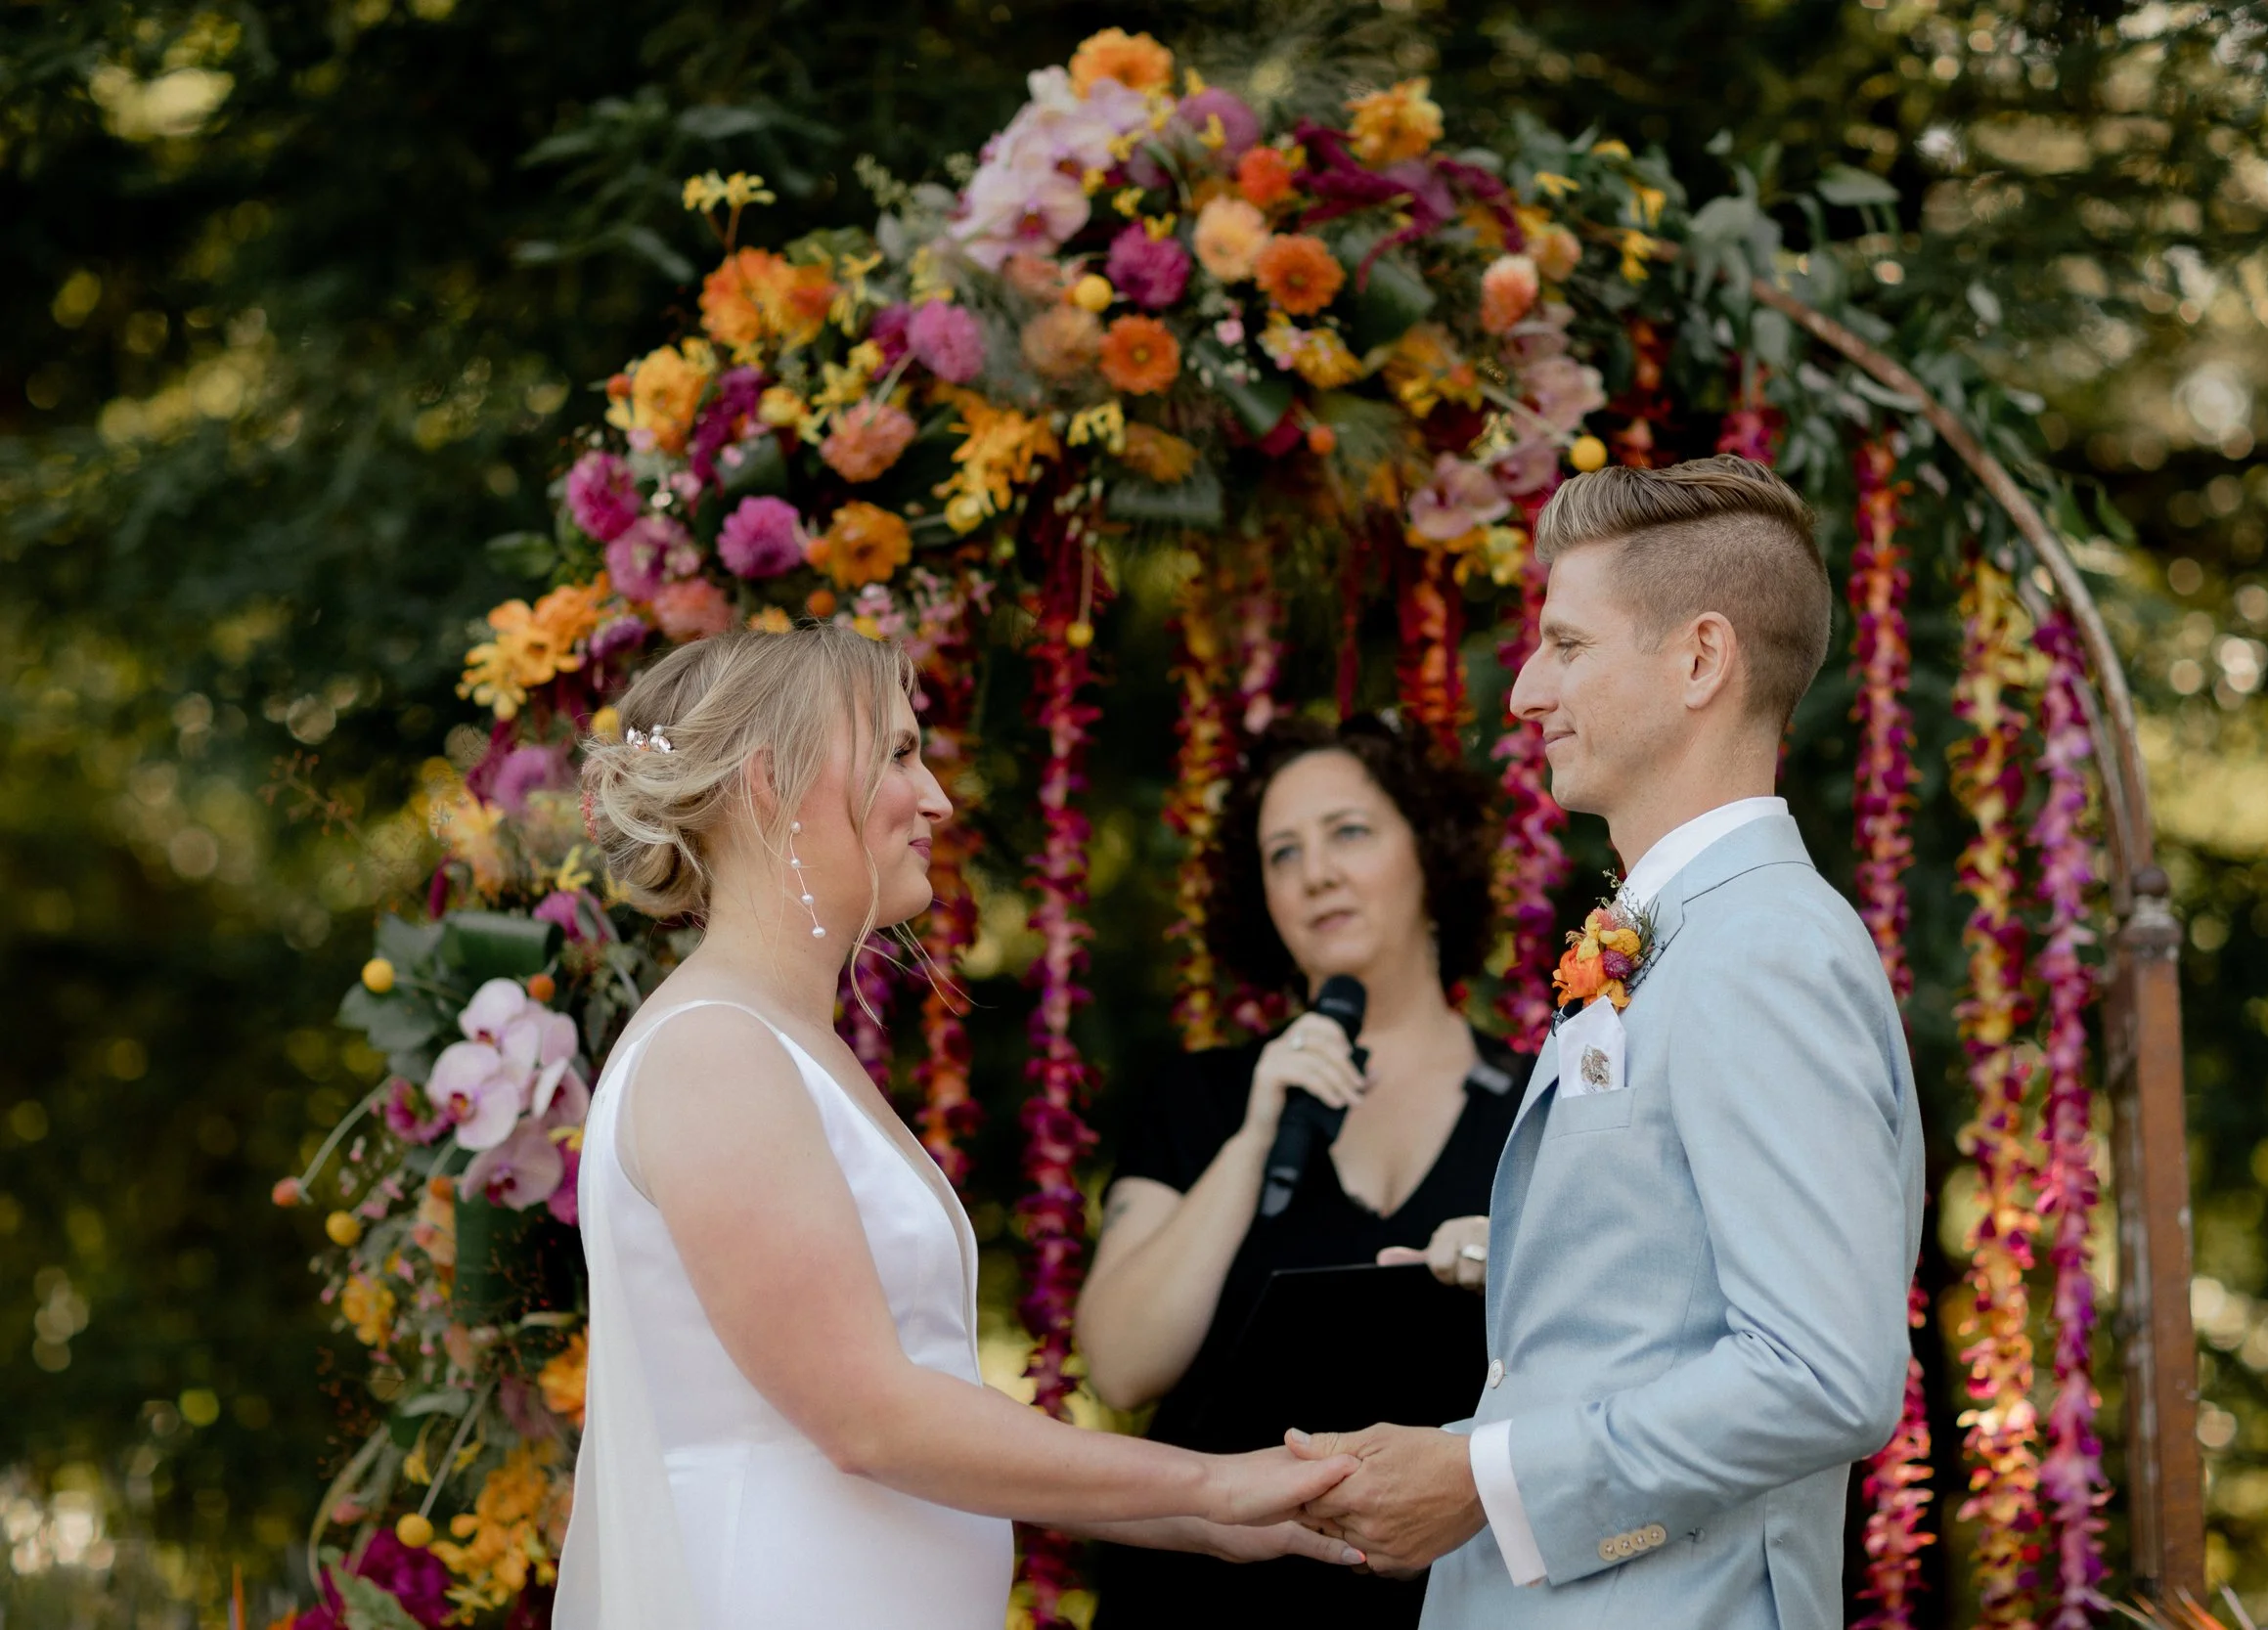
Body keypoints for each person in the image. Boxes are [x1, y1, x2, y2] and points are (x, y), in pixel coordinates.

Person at [555, 625, 1362, 1630]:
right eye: (898, 753)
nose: (935, 796)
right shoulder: (715, 1049)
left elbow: (917, 1404)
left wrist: (1194, 1522)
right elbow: (869, 1415)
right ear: (769, 782)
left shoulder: (788, 1043)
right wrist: (1209, 1484)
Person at [1287, 456, 1926, 1630]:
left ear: (1700, 658)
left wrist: (1484, 1479)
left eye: (1567, 646)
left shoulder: (1767, 947)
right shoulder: (1678, 930)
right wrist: (1516, 1250)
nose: (1525, 690)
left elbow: (1824, 1371)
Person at [1079, 714, 1532, 1630]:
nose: (1316, 871)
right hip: (1204, 1599)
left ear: (1430, 857)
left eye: (1349, 833)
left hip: (1451, 1601)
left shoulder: (1539, 1105)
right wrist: (1253, 1140)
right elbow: (1122, 1367)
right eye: (1282, 853)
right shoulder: (1202, 1099)